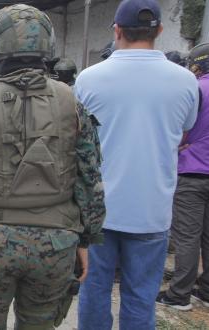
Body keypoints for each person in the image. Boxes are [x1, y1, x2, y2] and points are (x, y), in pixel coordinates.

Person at [0, 4, 106, 329]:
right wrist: (85, 241)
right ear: (47, 47)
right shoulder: (72, 102)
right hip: (56, 243)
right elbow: (89, 178)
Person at [74, 0, 199, 328]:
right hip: (152, 211)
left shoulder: (88, 79)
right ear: (159, 30)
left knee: (94, 289)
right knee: (141, 296)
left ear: (117, 30)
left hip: (99, 210)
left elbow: (77, 138)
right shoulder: (185, 81)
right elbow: (183, 131)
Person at [156, 43, 209, 311]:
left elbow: (183, 130)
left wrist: (178, 143)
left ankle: (180, 295)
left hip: (192, 170)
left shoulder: (196, 89)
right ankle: (207, 290)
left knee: (187, 236)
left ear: (198, 64)